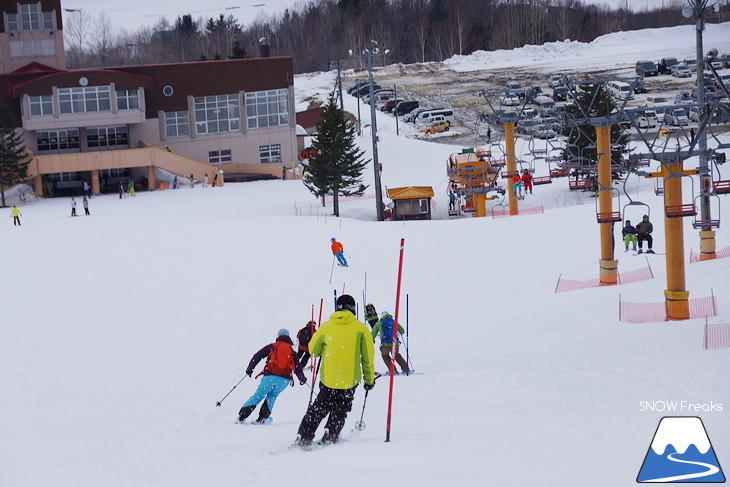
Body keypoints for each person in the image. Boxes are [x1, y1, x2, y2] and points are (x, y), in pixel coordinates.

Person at [294, 295, 375, 447]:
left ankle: (303, 435)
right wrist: (369, 380)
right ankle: (331, 434)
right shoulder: (361, 329)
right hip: (349, 381)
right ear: (353, 309)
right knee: (341, 408)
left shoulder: (326, 327)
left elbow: (313, 350)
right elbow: (368, 358)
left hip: (328, 378)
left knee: (319, 406)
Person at [238, 329, 307, 424]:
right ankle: (262, 418)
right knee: (272, 396)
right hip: (284, 380)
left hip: (269, 377)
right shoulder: (292, 351)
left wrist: (250, 368)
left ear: (278, 336)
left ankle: (242, 416)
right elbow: (298, 367)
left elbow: (257, 356)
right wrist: (302, 378)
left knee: (258, 395)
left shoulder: (272, 346)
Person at [371, 311, 409, 375]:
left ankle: (393, 370)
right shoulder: (394, 322)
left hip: (385, 345)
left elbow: (372, 334)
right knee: (396, 355)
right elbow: (402, 331)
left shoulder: (379, 323)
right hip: (395, 343)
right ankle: (406, 368)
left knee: (385, 356)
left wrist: (372, 340)